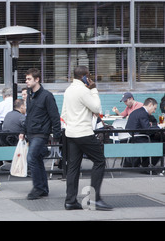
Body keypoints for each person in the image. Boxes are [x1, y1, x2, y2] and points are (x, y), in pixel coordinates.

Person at [61, 66, 112, 211]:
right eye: (89, 75)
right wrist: (94, 89)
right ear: (84, 76)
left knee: (73, 167)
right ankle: (95, 199)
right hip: (84, 132)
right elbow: (97, 108)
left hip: (71, 133)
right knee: (100, 161)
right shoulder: (84, 90)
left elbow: (64, 114)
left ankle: (70, 201)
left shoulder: (69, 90)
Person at [23, 68, 61, 200]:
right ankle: (43, 188)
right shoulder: (30, 95)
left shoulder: (47, 96)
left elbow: (55, 116)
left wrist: (56, 134)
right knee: (37, 160)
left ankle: (38, 188)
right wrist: (24, 131)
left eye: (29, 79)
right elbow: (29, 116)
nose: (26, 81)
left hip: (41, 133)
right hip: (32, 133)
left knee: (31, 158)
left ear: (37, 79)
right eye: (26, 79)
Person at [125, 98, 165, 168]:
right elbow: (148, 130)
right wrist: (160, 126)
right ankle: (146, 166)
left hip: (133, 137)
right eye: (154, 108)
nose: (154, 111)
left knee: (159, 140)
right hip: (138, 138)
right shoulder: (143, 113)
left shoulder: (138, 111)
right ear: (150, 105)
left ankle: (145, 164)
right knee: (162, 145)